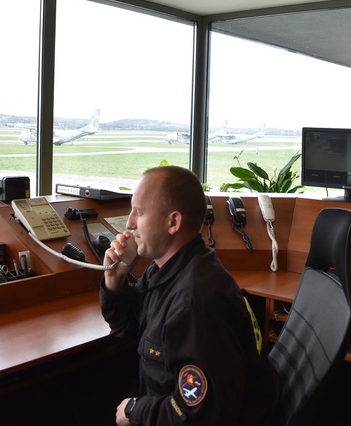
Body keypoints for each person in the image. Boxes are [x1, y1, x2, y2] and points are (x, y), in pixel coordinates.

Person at [100, 165, 277, 425]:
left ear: (173, 222)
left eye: (139, 212)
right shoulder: (170, 268)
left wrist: (135, 410)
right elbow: (129, 328)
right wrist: (114, 281)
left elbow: (201, 412)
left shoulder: (194, 301)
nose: (129, 223)